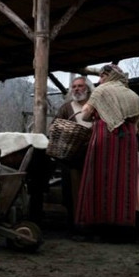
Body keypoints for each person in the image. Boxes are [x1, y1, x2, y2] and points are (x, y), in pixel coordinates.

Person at [75, 64, 139, 242]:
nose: (100, 80)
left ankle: (97, 226)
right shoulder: (132, 95)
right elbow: (136, 120)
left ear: (108, 76)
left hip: (105, 137)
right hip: (128, 140)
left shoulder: (101, 91)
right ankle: (124, 229)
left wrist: (93, 114)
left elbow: (85, 115)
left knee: (99, 178)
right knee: (125, 181)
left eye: (101, 76)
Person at [53, 76, 94, 231]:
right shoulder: (66, 108)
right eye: (74, 86)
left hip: (90, 156)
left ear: (88, 88)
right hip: (69, 156)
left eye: (80, 86)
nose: (77, 89)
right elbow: (55, 127)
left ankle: (89, 222)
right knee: (70, 190)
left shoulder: (94, 107)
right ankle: (73, 223)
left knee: (90, 189)